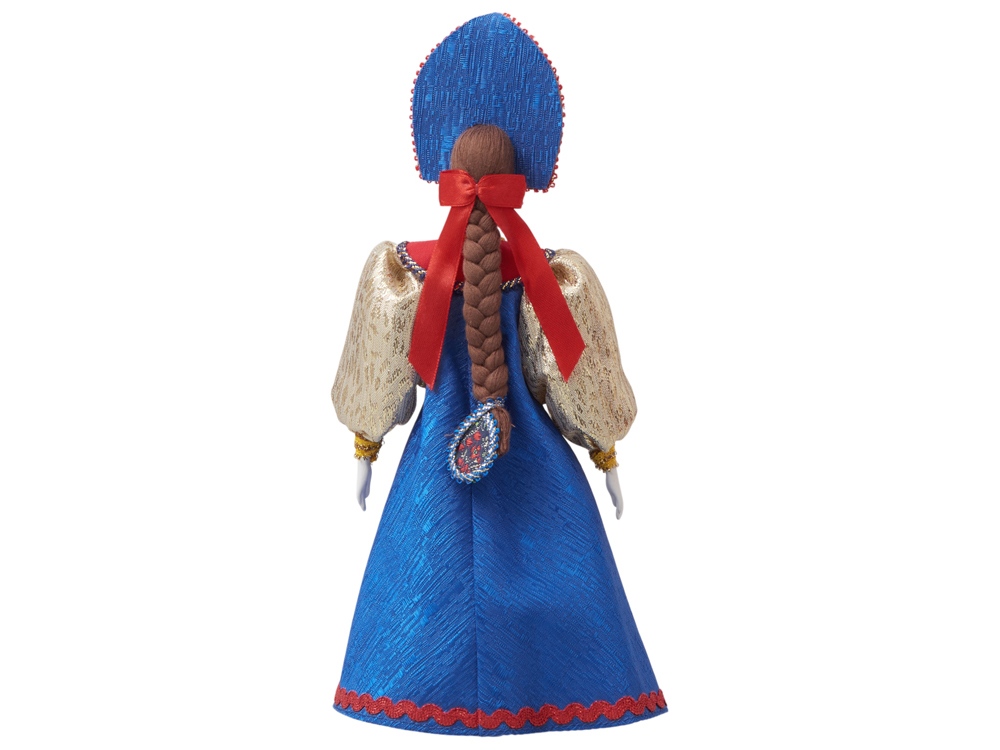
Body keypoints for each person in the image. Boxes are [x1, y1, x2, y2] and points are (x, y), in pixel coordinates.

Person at [330, 124, 665, 735]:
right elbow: (579, 381)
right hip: (536, 472)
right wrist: (606, 453)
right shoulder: (548, 275)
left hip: (437, 464)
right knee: (559, 579)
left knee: (423, 590)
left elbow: (377, 373)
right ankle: (544, 689)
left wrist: (365, 445)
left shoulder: (406, 272)